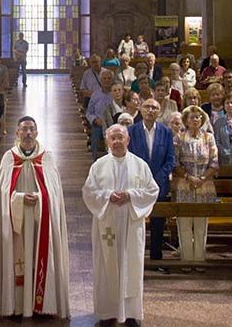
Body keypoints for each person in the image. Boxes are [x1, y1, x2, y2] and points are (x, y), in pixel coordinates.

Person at [0, 116, 70, 319]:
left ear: (37, 132)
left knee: (40, 256)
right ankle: (14, 305)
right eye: (24, 129)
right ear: (17, 133)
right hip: (15, 223)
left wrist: (41, 198)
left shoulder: (47, 157)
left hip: (41, 220)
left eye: (32, 129)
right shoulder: (9, 158)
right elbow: (2, 192)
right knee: (16, 258)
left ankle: (42, 305)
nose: (28, 133)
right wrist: (21, 199)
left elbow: (54, 192)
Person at [83, 124, 159, 326]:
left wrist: (130, 195)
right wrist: (108, 195)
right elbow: (89, 192)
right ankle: (107, 313)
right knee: (106, 267)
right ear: (107, 141)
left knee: (131, 266)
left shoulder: (140, 165)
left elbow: (152, 190)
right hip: (106, 221)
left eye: (120, 138)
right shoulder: (98, 165)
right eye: (113, 138)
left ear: (128, 140)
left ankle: (132, 314)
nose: (117, 141)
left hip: (131, 223)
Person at [127, 99, 176, 265]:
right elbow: (128, 158)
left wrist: (156, 179)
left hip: (159, 184)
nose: (150, 110)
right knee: (135, 223)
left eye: (154, 107)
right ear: (140, 109)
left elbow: (170, 160)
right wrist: (142, 179)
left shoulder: (166, 132)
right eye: (147, 106)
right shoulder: (131, 131)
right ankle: (135, 262)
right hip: (136, 185)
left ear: (159, 112)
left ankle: (156, 260)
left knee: (157, 224)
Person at [174, 106, 220, 272]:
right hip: (184, 184)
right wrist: (189, 177)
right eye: (192, 117)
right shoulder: (178, 138)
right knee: (184, 223)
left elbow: (215, 162)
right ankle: (186, 260)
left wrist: (202, 178)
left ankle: (199, 259)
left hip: (204, 185)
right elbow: (175, 162)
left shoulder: (209, 138)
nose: (196, 120)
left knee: (201, 223)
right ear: (186, 120)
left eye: (198, 117)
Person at [86, 69, 116, 158]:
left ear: (112, 80)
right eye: (104, 79)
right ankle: (96, 160)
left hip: (114, 123)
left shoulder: (116, 93)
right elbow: (89, 112)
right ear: (100, 80)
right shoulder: (95, 94)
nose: (106, 80)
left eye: (109, 78)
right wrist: (95, 119)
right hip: (99, 124)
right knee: (96, 134)